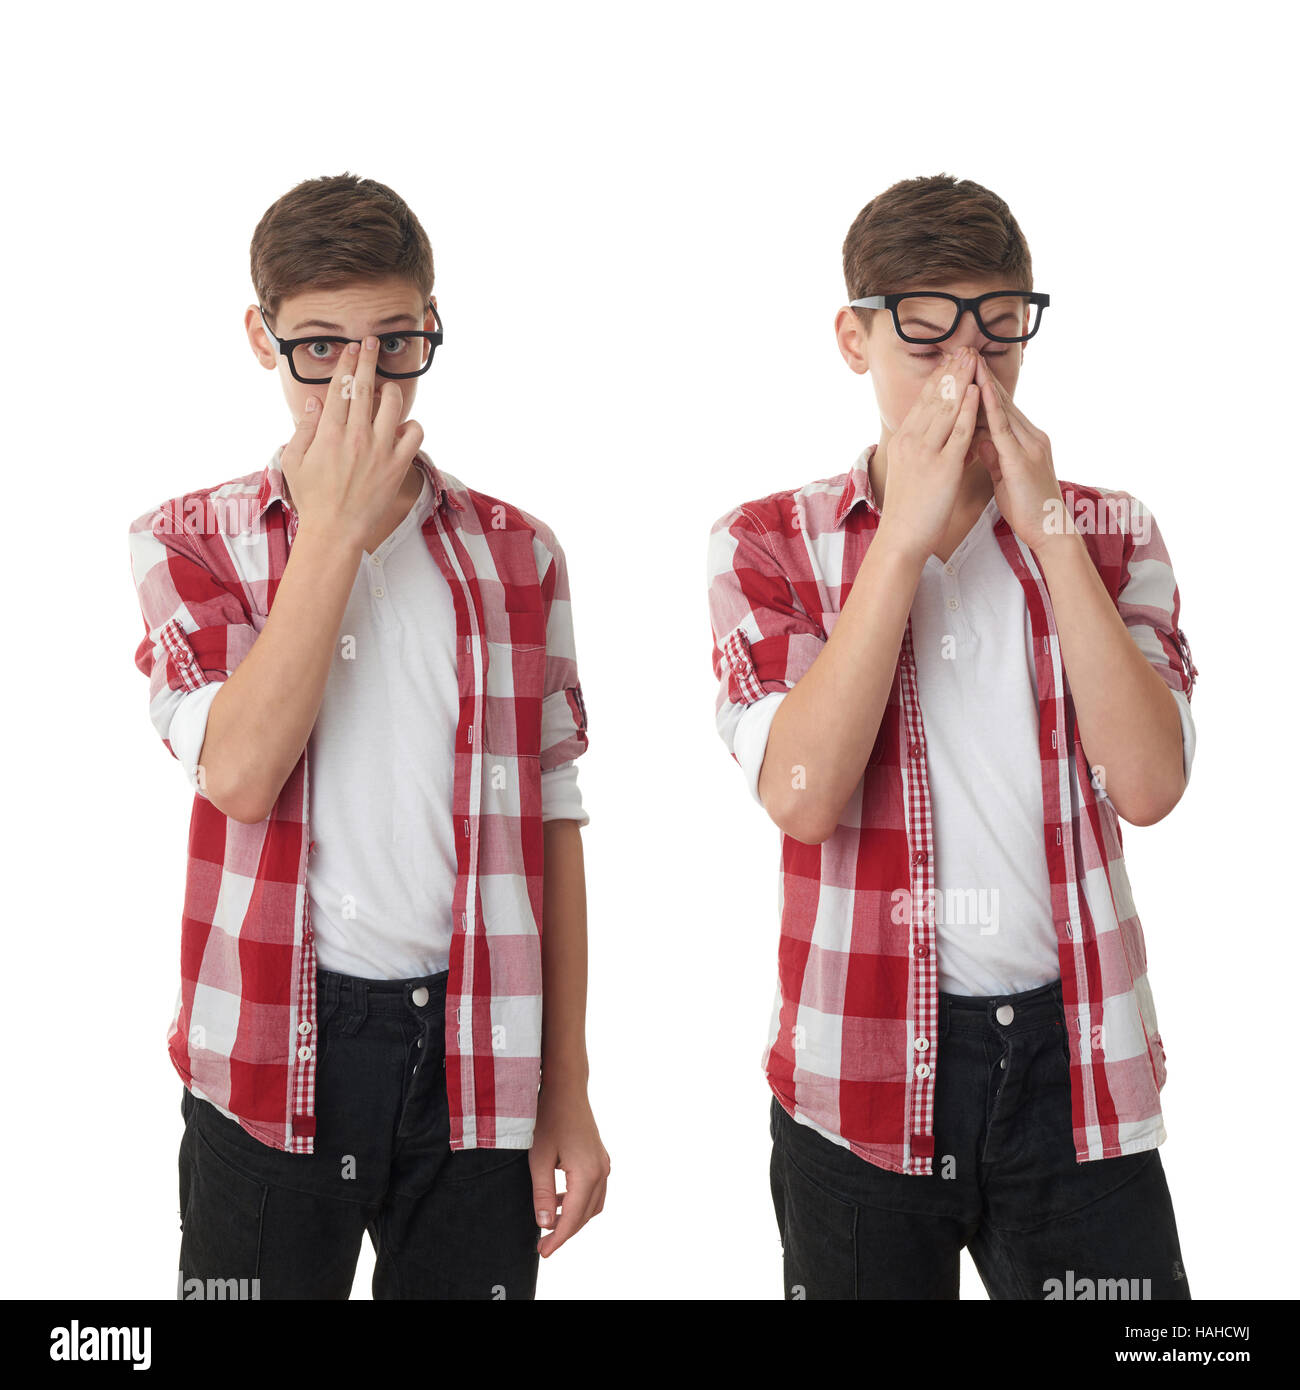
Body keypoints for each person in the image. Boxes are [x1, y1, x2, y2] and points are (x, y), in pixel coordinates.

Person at [706, 173, 1197, 1301]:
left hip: (1077, 1068)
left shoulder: (1112, 530)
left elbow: (1152, 783)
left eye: (999, 333)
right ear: (855, 336)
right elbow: (800, 794)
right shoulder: (766, 542)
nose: (966, 371)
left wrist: (1048, 533)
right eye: (925, 335)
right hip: (858, 1069)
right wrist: (903, 543)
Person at [129, 172, 608, 1300]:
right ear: (262, 337)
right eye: (320, 345)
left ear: (431, 327)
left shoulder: (519, 553)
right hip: (272, 1039)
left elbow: (553, 823)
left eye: (396, 341)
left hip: (477, 1040)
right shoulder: (187, 544)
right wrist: (334, 530)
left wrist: (568, 1088)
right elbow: (241, 771)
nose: (360, 376)